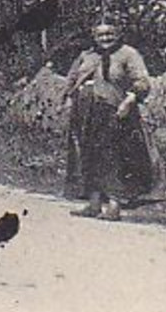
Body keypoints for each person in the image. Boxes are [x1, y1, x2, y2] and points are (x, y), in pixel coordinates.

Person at [61, 21, 159, 220]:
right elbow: (71, 79)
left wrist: (129, 101)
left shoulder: (128, 54)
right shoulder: (87, 56)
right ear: (94, 36)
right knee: (88, 155)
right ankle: (94, 203)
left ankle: (114, 205)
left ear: (118, 34)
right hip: (86, 112)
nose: (105, 38)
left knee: (114, 157)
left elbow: (142, 82)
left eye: (110, 34)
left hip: (115, 112)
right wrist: (69, 100)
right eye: (100, 35)